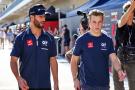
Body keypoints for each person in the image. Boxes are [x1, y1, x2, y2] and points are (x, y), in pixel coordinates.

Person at [71, 9, 126, 90]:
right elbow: (74, 61)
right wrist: (75, 79)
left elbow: (114, 58)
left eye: (99, 22)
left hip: (104, 85)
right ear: (89, 22)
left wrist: (119, 70)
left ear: (102, 22)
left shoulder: (108, 40)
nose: (97, 25)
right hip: (87, 85)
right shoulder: (81, 40)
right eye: (94, 22)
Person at [10, 4, 59, 90]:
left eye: (44, 16)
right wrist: (18, 78)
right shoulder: (21, 38)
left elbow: (53, 61)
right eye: (40, 16)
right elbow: (13, 60)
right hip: (26, 86)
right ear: (31, 17)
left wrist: (56, 83)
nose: (44, 19)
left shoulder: (50, 38)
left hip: (45, 86)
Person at [113, 1, 135, 90]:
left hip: (133, 61)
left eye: (130, 11)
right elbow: (122, 21)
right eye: (126, 11)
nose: (128, 12)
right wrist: (133, 5)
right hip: (119, 59)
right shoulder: (120, 24)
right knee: (118, 86)